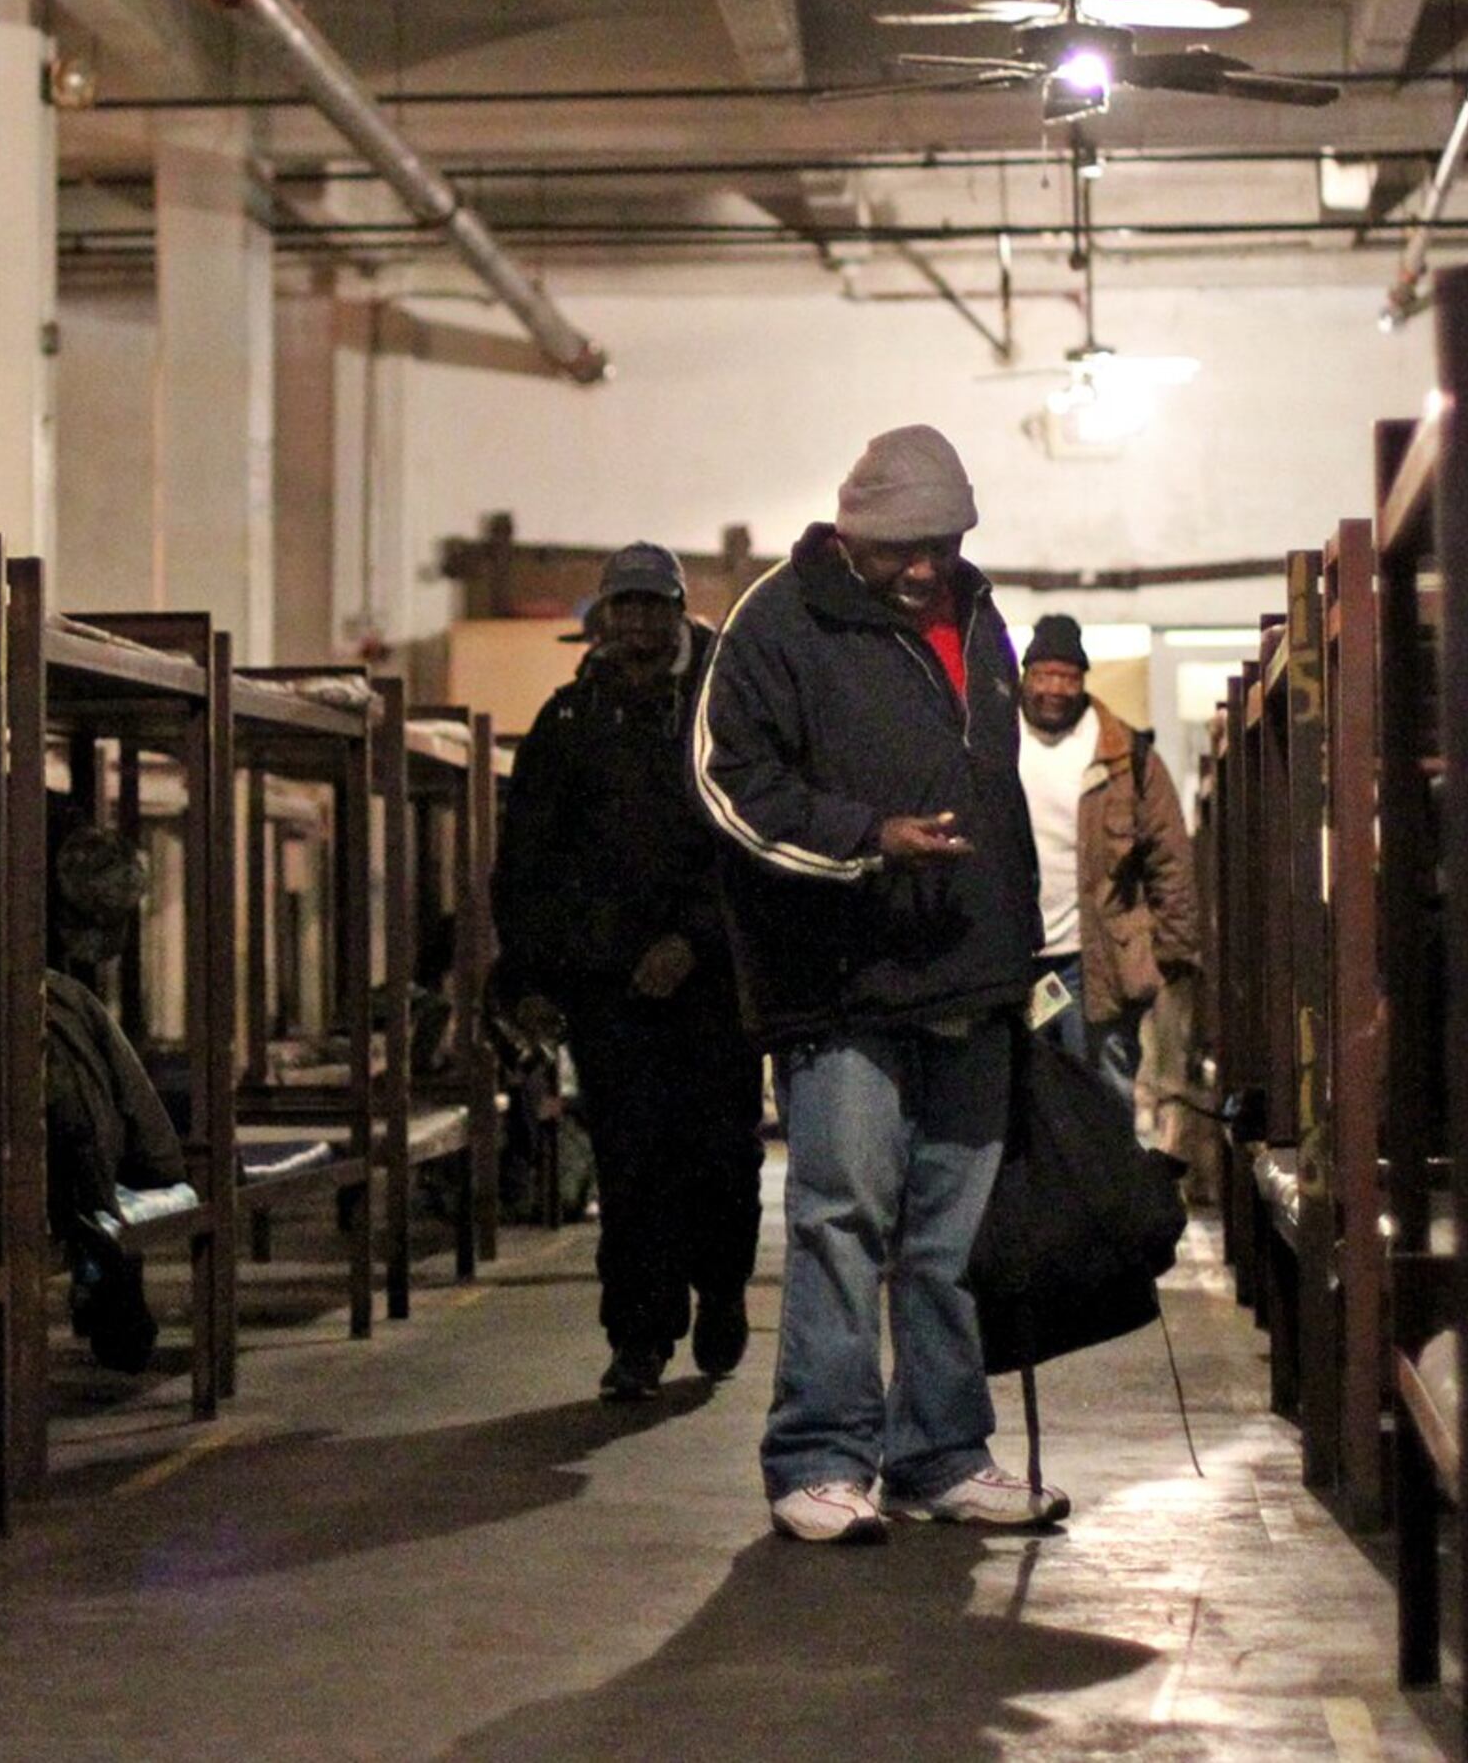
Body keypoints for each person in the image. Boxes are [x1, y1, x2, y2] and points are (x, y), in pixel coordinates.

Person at [694, 424, 1063, 1544]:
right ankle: (819, 1454)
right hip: (844, 981)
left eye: (942, 544)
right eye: (902, 548)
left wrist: (1019, 955)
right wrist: (866, 838)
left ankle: (940, 1452)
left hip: (971, 974)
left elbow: (991, 789)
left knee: (950, 1240)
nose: (923, 567)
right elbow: (728, 782)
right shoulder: (779, 619)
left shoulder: (982, 616)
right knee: (840, 1222)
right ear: (852, 533)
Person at [492, 541, 764, 1402]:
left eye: (656, 604)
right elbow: (528, 861)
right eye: (626, 605)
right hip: (612, 993)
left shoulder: (727, 713)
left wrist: (695, 939)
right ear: (604, 617)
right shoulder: (568, 723)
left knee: (722, 1159)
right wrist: (531, 976)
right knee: (631, 1166)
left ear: (679, 610)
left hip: (711, 987)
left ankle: (720, 1290)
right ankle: (638, 1336)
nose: (640, 619)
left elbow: (750, 848)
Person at [1013, 614, 1192, 1109]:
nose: (1054, 688)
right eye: (1043, 675)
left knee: (1104, 1098)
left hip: (1099, 963)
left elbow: (1169, 857)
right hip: (1012, 962)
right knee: (1018, 1105)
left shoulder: (1125, 753)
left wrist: (1171, 955)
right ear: (1025, 677)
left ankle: (1106, 1188)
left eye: (1067, 677)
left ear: (1083, 681)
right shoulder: (995, 745)